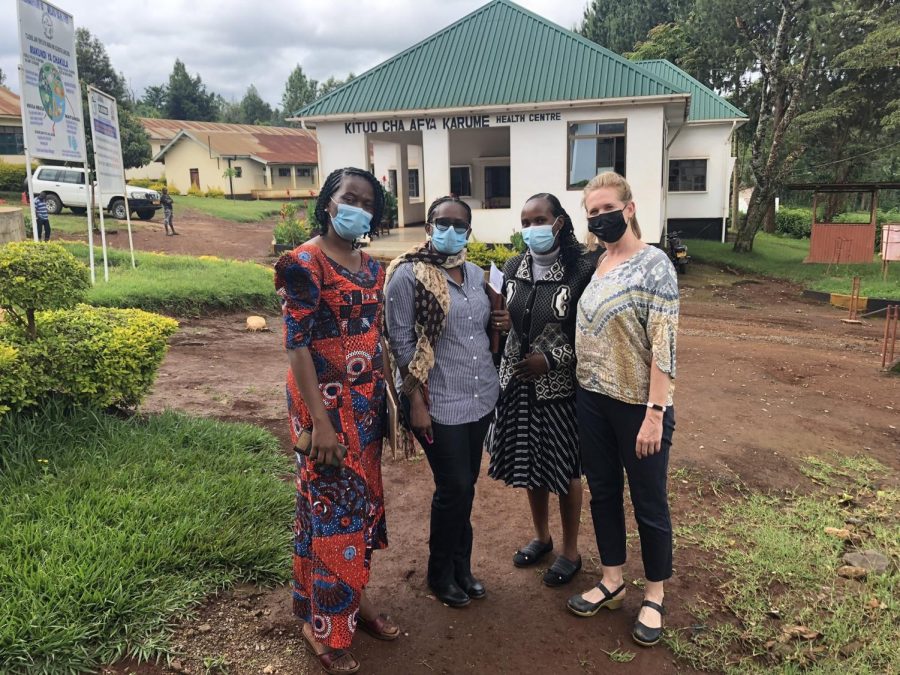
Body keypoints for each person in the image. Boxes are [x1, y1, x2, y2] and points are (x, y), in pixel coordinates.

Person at [275, 167, 398, 675]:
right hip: (323, 409)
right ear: (328, 201)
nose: (358, 208)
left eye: (367, 202)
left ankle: (350, 601)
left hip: (365, 408)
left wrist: (388, 399)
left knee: (360, 507)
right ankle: (323, 629)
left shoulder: (372, 268)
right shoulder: (303, 263)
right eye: (349, 197)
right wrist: (321, 424)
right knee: (332, 514)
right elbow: (296, 345)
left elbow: (376, 336)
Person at [567, 172, 679, 648]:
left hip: (638, 406)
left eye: (606, 209)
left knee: (648, 501)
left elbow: (664, 349)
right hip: (592, 400)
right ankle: (612, 578)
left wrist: (655, 412)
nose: (599, 219)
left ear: (629, 208)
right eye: (591, 213)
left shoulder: (655, 265)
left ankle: (653, 594)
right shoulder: (597, 262)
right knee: (604, 493)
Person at [384, 196, 503, 608]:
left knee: (466, 486)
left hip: (480, 396)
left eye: (459, 225)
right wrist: (415, 403)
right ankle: (440, 574)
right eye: (442, 223)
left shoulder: (474, 274)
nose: (451, 231)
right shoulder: (407, 276)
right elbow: (401, 342)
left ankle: (462, 567)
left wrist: (499, 321)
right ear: (429, 226)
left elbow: (482, 328)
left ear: (469, 232)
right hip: (440, 402)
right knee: (452, 487)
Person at [487, 193, 598, 587]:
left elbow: (588, 335)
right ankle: (542, 537)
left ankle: (570, 551)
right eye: (526, 220)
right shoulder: (512, 266)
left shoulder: (583, 269)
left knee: (566, 470)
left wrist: (550, 360)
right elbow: (508, 318)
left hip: (560, 389)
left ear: (559, 222)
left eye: (539, 219)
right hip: (517, 384)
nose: (532, 227)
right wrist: (501, 325)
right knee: (531, 464)